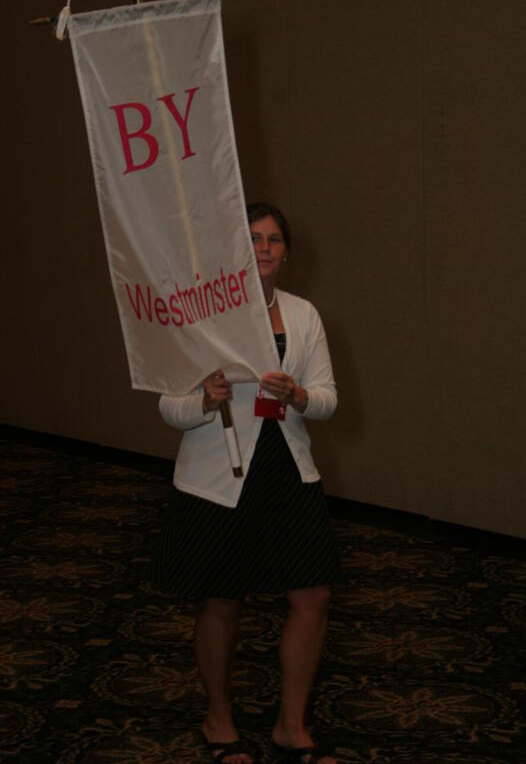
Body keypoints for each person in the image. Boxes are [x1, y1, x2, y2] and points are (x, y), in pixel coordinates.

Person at [151, 203, 339, 764]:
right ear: (236, 248)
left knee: (314, 595)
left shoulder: (305, 315)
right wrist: (204, 401)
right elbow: (168, 406)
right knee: (222, 600)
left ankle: (291, 727)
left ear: (286, 251)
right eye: (253, 237)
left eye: (274, 239)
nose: (263, 247)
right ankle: (219, 721)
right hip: (219, 475)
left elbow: (327, 399)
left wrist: (298, 396)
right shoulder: (203, 315)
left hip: (288, 469)